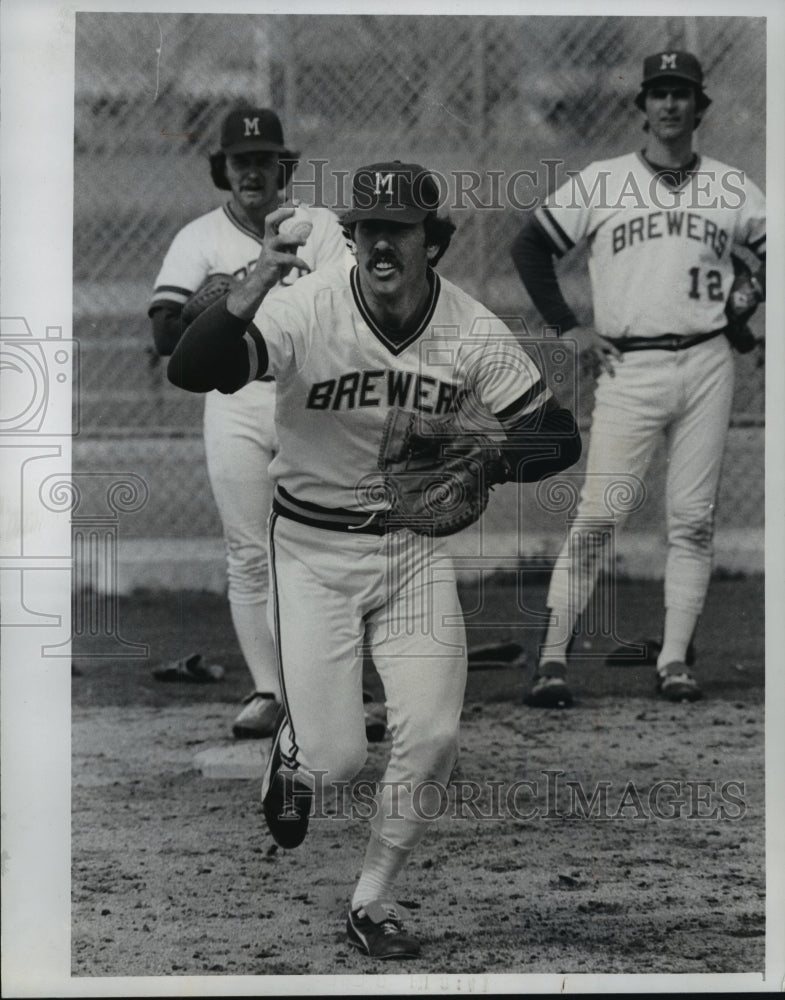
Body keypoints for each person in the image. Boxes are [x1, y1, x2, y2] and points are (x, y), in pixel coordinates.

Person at [168, 160, 582, 958]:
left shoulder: (468, 328)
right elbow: (195, 370)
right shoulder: (306, 309)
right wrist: (247, 293)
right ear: (350, 239)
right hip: (311, 553)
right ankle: (293, 756)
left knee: (429, 734)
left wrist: (488, 463)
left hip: (411, 552)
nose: (379, 243)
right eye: (366, 229)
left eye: (398, 229)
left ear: (433, 241)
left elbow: (557, 438)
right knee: (337, 758)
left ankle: (372, 898)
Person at [510, 50, 766, 708]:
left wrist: (751, 303)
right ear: (642, 106)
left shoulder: (730, 187)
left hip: (707, 361)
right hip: (628, 367)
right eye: (658, 93)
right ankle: (551, 659)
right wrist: (567, 326)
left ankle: (675, 659)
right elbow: (530, 246)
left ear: (699, 106)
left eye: (681, 93)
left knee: (691, 520)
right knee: (599, 518)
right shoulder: (603, 181)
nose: (670, 104)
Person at [148, 107, 388, 739]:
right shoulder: (199, 238)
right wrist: (225, 296)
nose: (252, 171)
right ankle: (268, 691)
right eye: (240, 161)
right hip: (236, 401)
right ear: (222, 169)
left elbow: (356, 309)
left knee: (328, 544)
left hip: (312, 399)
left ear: (284, 165)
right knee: (250, 551)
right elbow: (166, 332)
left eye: (264, 159)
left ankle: (342, 688)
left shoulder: (324, 229)